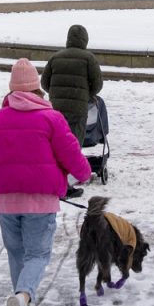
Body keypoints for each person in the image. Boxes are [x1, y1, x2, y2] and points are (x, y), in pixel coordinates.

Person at [0, 58, 91, 306]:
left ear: (11, 89)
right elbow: (71, 154)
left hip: (5, 200)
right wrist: (83, 174)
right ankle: (23, 296)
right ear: (37, 88)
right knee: (38, 254)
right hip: (41, 201)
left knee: (16, 252)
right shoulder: (51, 118)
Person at [41, 24, 103, 198]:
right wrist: (86, 95)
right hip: (77, 110)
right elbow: (97, 84)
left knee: (54, 146)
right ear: (85, 40)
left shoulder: (56, 57)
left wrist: (55, 95)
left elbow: (44, 83)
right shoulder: (88, 58)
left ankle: (51, 179)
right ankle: (65, 185)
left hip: (55, 111)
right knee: (72, 146)